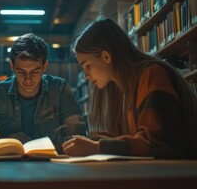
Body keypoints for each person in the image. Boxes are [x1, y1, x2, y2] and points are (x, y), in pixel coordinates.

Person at [63, 17, 197, 159]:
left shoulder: (152, 75)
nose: (86, 76)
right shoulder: (122, 90)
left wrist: (98, 147)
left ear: (106, 56)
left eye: (87, 66)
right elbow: (136, 139)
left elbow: (158, 143)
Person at [0, 33, 85, 153]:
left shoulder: (60, 89)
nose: (28, 79)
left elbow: (78, 142)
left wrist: (29, 144)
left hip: (52, 168)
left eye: (35, 72)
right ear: (12, 66)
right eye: (21, 72)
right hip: (5, 168)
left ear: (44, 66)